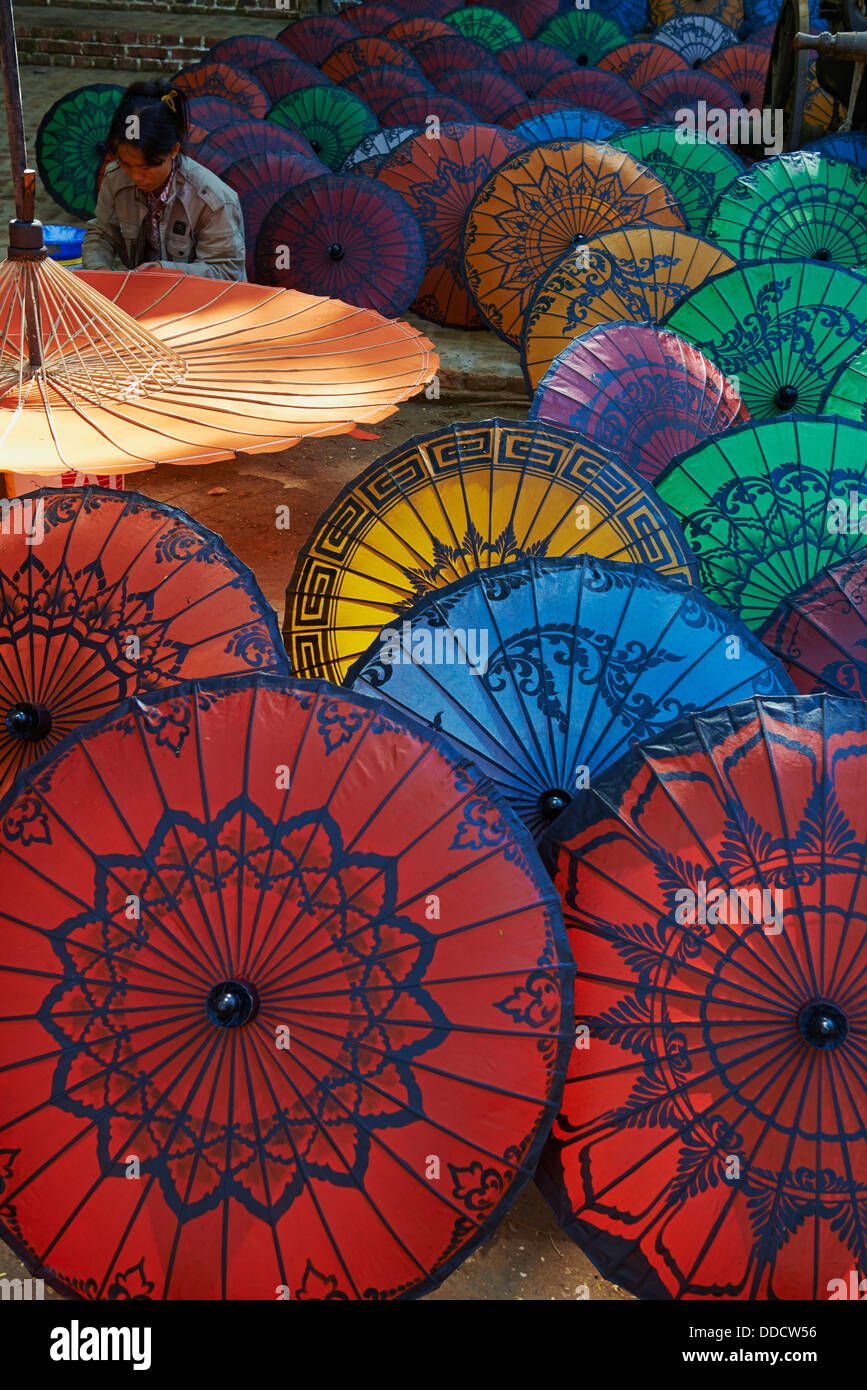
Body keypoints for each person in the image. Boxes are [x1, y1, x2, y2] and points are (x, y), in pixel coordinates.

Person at [82, 78, 246, 281]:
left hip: (201, 305)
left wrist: (166, 272)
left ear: (173, 151)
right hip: (143, 294)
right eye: (126, 163)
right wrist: (100, 271)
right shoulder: (116, 177)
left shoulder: (214, 201)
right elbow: (101, 233)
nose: (136, 176)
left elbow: (227, 273)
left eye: (147, 166)